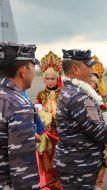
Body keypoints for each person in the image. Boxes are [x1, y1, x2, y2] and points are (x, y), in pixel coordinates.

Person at [54, 49, 107, 190]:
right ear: (75, 69)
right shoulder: (78, 96)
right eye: (88, 67)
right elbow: (97, 129)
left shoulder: (71, 90)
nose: (91, 71)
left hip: (76, 163)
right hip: (79, 165)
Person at [0, 42, 40, 189]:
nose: (34, 73)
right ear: (23, 71)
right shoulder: (19, 104)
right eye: (33, 67)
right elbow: (23, 171)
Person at [36, 51, 63, 190]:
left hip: (60, 135)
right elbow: (37, 114)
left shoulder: (63, 94)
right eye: (48, 79)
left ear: (57, 79)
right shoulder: (40, 95)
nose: (50, 81)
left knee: (59, 164)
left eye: (53, 79)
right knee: (47, 164)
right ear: (44, 79)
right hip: (46, 135)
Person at [90, 55, 107, 190]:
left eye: (94, 82)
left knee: (102, 160)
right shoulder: (82, 97)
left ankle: (99, 184)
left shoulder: (105, 98)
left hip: (103, 134)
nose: (91, 84)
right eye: (89, 81)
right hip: (88, 136)